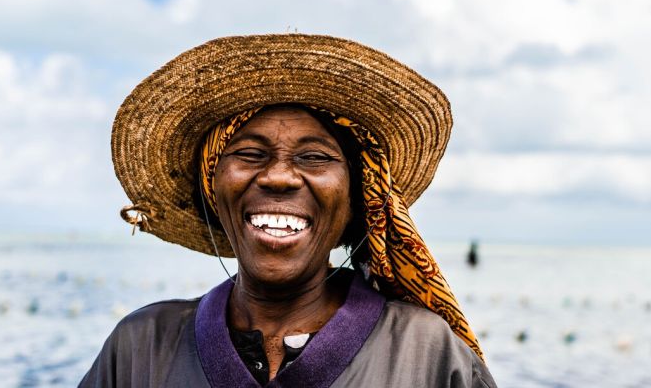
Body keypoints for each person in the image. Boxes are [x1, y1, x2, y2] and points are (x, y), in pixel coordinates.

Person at [80, 34, 496, 387]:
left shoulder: (425, 353)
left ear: (357, 199)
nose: (279, 177)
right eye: (248, 153)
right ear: (212, 191)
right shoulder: (141, 348)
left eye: (315, 157)